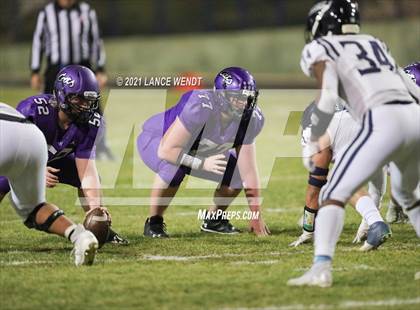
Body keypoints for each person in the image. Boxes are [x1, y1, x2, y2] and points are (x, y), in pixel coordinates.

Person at [288, 0, 420, 287]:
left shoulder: (321, 48)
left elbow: (327, 96)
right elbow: (408, 84)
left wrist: (314, 136)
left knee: (333, 190)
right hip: (414, 115)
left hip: (382, 119)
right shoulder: (375, 42)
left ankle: (321, 268)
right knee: (407, 194)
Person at [0, 65, 128, 245]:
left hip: (55, 160)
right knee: (2, 182)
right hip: (22, 160)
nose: (85, 106)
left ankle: (99, 230)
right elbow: (14, 148)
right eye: (79, 99)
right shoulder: (35, 110)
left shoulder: (90, 123)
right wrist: (35, 169)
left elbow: (87, 171)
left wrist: (96, 209)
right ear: (62, 95)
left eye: (89, 100)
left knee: (86, 179)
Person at [137, 67, 270, 237]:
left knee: (236, 174)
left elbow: (248, 171)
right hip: (157, 140)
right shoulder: (200, 105)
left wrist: (255, 214)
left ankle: (214, 220)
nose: (244, 104)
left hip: (195, 149)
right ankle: (154, 223)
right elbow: (167, 150)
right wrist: (202, 163)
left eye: (247, 98)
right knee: (174, 168)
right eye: (237, 98)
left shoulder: (252, 120)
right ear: (222, 96)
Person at [0, 102, 98, 266]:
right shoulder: (41, 112)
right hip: (33, 137)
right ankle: (80, 236)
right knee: (33, 209)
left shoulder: (39, 107)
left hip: (6, 134)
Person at [290, 102, 390, 251]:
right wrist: (366, 224)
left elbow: (315, 186)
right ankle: (373, 222)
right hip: (382, 120)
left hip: (347, 126)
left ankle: (376, 223)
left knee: (337, 181)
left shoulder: (319, 128)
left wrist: (308, 230)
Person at [30, 0, 107, 93]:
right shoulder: (46, 12)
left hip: (83, 69)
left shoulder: (87, 11)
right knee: (52, 105)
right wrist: (35, 71)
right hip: (55, 70)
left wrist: (100, 69)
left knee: (89, 105)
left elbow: (96, 40)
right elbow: (38, 41)